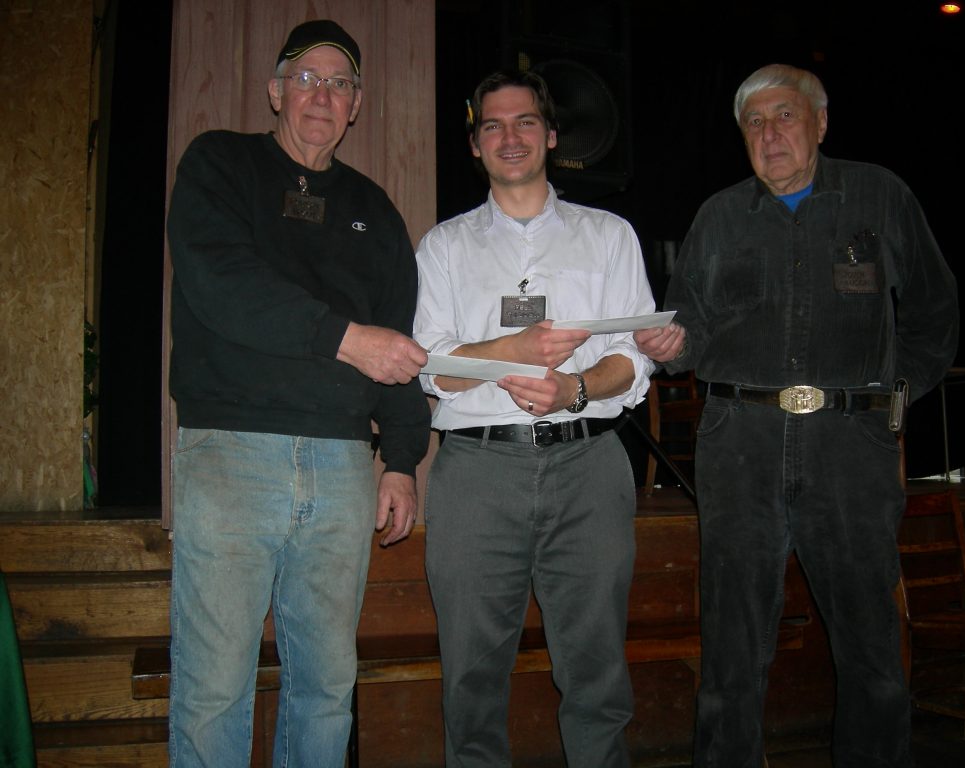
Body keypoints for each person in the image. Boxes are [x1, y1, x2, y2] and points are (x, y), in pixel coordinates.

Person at [635, 63, 958, 767]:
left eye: (785, 116)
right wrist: (672, 344)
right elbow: (689, 326)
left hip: (850, 448)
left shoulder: (880, 196)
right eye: (754, 122)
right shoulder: (719, 216)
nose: (769, 133)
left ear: (820, 122)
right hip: (739, 449)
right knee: (730, 652)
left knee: (872, 651)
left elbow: (935, 313)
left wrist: (890, 400)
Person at [165, 19, 431, 767]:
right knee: (215, 686)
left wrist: (403, 460)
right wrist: (347, 339)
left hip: (345, 464)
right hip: (232, 453)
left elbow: (399, 341)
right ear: (277, 91)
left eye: (339, 82)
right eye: (307, 77)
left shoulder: (375, 212)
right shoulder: (220, 164)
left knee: (327, 684)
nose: (323, 93)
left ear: (355, 107)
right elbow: (223, 286)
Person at [414, 69, 658, 767]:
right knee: (470, 675)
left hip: (589, 466)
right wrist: (513, 351)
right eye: (492, 125)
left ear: (551, 136)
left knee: (596, 671)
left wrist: (574, 389)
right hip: (476, 473)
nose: (510, 136)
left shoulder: (609, 236)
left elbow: (631, 361)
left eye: (525, 122)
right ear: (475, 144)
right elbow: (434, 367)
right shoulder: (444, 246)